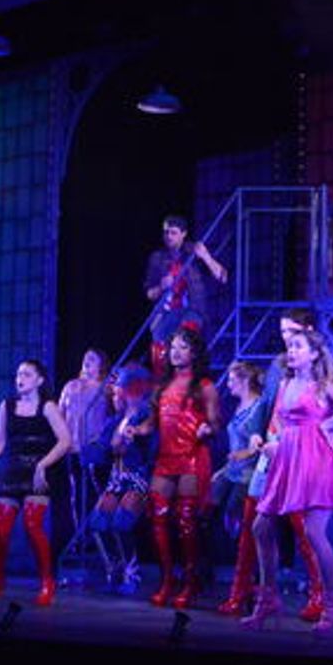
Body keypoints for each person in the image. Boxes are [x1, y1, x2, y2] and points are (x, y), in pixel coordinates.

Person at [241, 329, 333, 633]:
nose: (292, 350)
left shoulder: (321, 385)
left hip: (318, 461)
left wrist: (327, 424)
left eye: (299, 346)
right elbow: (286, 426)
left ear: (313, 354)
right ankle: (267, 599)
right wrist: (274, 443)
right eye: (290, 346)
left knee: (314, 532)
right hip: (288, 459)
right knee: (261, 525)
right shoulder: (284, 384)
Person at [0, 360, 71, 606]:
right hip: (12, 472)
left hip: (37, 475)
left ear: (40, 380)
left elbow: (65, 441)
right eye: (18, 374)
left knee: (33, 526)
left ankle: (46, 582)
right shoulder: (6, 406)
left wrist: (42, 465)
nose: (20, 378)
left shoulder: (48, 406)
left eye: (27, 374)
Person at [240, 307, 328, 621]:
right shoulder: (280, 367)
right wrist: (255, 434)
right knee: (258, 523)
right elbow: (267, 406)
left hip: (299, 455)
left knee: (304, 527)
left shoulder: (320, 372)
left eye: (292, 334)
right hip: (272, 452)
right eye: (283, 335)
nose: (287, 342)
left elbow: (328, 413)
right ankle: (263, 593)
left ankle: (320, 595)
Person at [141, 327, 221, 609]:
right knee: (159, 516)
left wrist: (205, 429)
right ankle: (167, 580)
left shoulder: (204, 386)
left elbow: (215, 424)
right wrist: (135, 430)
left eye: (182, 347)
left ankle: (190, 581)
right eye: (172, 346)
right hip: (165, 459)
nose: (174, 351)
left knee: (186, 520)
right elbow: (152, 424)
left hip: (191, 457)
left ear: (195, 352)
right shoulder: (161, 387)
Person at [81, 364, 156, 593]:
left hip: (139, 476)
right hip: (117, 477)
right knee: (98, 521)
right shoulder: (115, 420)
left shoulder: (146, 416)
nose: (113, 397)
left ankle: (132, 572)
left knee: (123, 520)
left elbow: (150, 437)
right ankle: (114, 567)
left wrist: (137, 433)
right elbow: (106, 446)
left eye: (117, 392)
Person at [142, 215, 228, 375]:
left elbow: (222, 277)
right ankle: (164, 385)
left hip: (191, 311)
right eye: (166, 232)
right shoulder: (157, 258)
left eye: (173, 233)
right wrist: (161, 286)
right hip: (165, 313)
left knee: (184, 339)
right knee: (159, 350)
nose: (168, 236)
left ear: (183, 234)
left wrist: (206, 256)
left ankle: (187, 378)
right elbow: (149, 294)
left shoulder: (194, 254)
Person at [213, 361, 265, 614]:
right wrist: (223, 468)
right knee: (212, 513)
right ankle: (242, 578)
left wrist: (241, 454)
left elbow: (258, 445)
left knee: (240, 523)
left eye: (233, 379)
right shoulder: (239, 406)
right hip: (232, 472)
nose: (229, 384)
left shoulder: (257, 408)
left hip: (247, 474)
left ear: (244, 381)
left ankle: (251, 582)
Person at [58, 348, 112, 535]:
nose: (87, 361)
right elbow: (60, 416)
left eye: (92, 359)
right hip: (73, 448)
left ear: (101, 365)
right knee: (77, 494)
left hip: (96, 448)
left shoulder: (106, 387)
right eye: (85, 358)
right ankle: (82, 537)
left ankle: (105, 537)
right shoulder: (70, 386)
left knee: (97, 492)